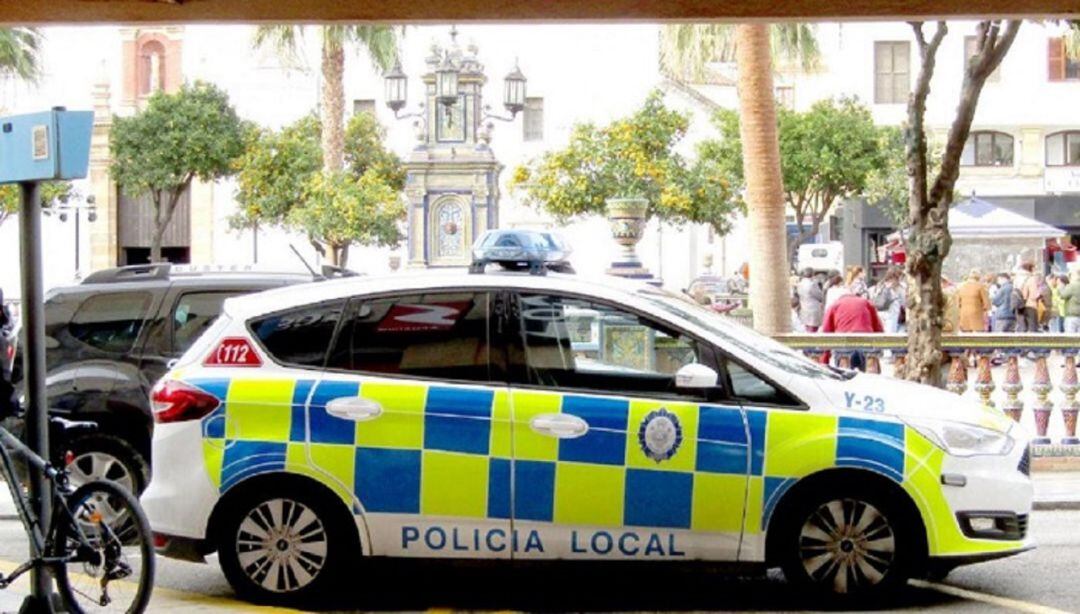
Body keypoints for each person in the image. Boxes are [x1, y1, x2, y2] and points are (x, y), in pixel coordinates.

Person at [820, 287, 884, 371]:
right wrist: (879, 346)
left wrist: (824, 361)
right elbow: (878, 327)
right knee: (870, 369)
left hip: (844, 344)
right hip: (866, 341)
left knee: (844, 372)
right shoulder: (865, 302)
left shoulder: (834, 305)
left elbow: (826, 334)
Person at [870, 267, 904, 333]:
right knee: (891, 334)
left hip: (880, 312)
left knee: (881, 332)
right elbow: (903, 301)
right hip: (891, 312)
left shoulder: (880, 284)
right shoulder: (898, 286)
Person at [796, 268, 824, 332]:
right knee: (813, 327)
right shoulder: (812, 284)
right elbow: (819, 296)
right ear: (812, 274)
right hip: (813, 308)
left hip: (804, 307)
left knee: (806, 326)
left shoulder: (799, 284)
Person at [1062, 269, 1080, 334]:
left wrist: (1062, 286)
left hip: (1072, 315)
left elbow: (1063, 295)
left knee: (1070, 338)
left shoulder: (1072, 286)